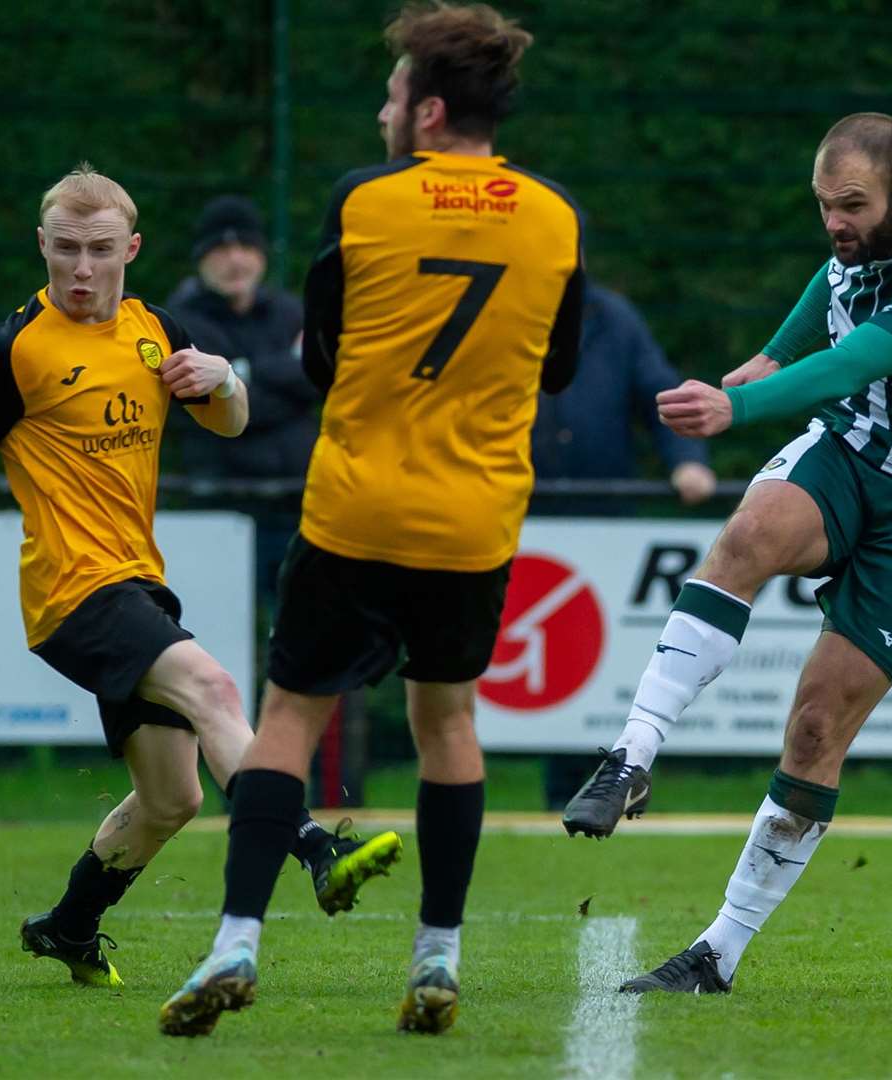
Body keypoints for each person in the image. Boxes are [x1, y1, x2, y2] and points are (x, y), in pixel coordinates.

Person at [161, 3, 584, 1037]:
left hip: (354, 508)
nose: (382, 107)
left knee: (290, 719)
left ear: (429, 111)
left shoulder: (364, 203)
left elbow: (317, 360)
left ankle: (235, 940)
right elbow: (559, 369)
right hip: (472, 521)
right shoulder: (554, 217)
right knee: (445, 722)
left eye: (394, 92)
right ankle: (435, 957)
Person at [560, 113, 892, 995]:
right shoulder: (858, 241)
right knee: (745, 535)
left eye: (850, 205)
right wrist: (774, 349)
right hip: (856, 448)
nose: (834, 223)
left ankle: (716, 954)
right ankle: (630, 755)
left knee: (817, 727)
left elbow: (857, 357)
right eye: (822, 205)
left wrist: (744, 406)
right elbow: (832, 281)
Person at [0, 165, 400, 991]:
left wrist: (225, 379)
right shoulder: (9, 352)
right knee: (216, 688)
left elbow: (231, 420)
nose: (79, 269)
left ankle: (68, 926)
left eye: (98, 250)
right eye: (64, 249)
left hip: (139, 584)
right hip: (72, 593)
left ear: (130, 249)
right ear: (41, 245)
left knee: (172, 798)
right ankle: (316, 846)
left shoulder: (153, 328)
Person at [532, 277, 716, 810]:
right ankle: (557, 789)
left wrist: (687, 461)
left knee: (601, 659)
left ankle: (604, 782)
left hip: (602, 527)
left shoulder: (613, 318)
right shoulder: (504, 307)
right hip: (517, 520)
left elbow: (659, 392)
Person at [165, 195, 317, 479]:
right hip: (218, 495)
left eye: (245, 246)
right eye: (220, 249)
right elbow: (223, 410)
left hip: (298, 488)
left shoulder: (289, 311)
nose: (234, 259)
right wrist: (287, 370)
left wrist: (242, 371)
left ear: (261, 254)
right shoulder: (180, 323)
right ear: (200, 259)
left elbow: (316, 380)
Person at [530, 278, 716, 510]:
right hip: (515, 508)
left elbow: (660, 397)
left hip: (605, 512)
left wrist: (687, 460)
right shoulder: (502, 315)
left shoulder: (614, 318)